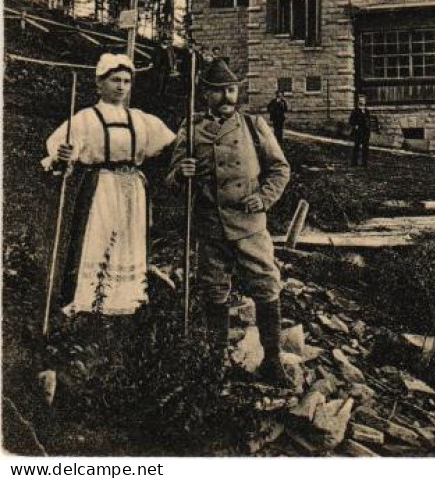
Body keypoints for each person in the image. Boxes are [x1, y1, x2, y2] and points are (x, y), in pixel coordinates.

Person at [166, 59, 291, 385]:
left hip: (250, 225)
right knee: (214, 291)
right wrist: (182, 173)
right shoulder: (190, 130)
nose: (226, 97)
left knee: (266, 286)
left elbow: (280, 169)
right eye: (218, 92)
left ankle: (273, 361)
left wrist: (264, 198)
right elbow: (170, 179)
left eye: (231, 90)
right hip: (211, 227)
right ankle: (215, 360)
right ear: (205, 94)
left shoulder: (253, 125)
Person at [43, 53, 176, 318]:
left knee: (130, 239)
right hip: (102, 186)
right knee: (100, 236)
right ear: (99, 83)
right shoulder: (86, 119)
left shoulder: (140, 119)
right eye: (115, 80)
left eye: (127, 81)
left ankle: (129, 298)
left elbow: (173, 144)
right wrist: (64, 155)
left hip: (133, 189)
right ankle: (90, 299)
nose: (121, 87)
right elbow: (59, 151)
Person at [349, 94, 378, 168]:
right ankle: (354, 163)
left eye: (363, 100)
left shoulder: (367, 111)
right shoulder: (355, 111)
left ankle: (364, 163)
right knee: (357, 147)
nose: (362, 101)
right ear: (358, 101)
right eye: (360, 100)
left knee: (365, 147)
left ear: (365, 101)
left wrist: (369, 127)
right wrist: (355, 126)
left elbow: (368, 120)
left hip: (365, 131)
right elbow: (351, 121)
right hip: (358, 132)